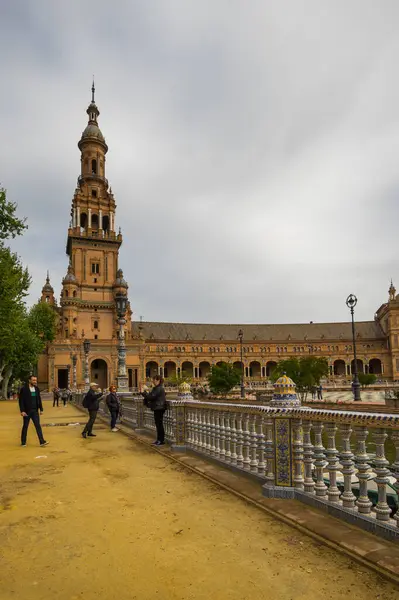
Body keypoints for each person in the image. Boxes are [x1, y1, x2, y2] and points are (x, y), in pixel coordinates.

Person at [19, 375, 49, 447]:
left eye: (36, 380)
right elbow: (21, 401)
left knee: (38, 426)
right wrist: (22, 411)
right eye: (33, 380)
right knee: (25, 426)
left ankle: (42, 441)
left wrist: (41, 409)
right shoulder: (24, 389)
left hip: (35, 411)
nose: (35, 382)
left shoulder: (36, 388)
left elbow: (38, 399)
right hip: (27, 411)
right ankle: (23, 442)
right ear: (29, 380)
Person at [141, 375, 167, 446]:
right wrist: (146, 391)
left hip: (159, 408)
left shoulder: (159, 388)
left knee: (159, 425)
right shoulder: (157, 388)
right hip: (158, 407)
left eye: (154, 380)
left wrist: (143, 392)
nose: (153, 381)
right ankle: (159, 439)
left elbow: (151, 397)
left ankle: (161, 440)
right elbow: (151, 396)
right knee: (158, 425)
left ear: (158, 380)